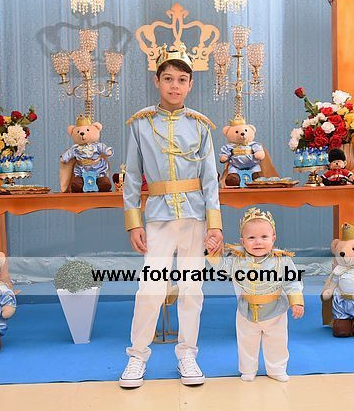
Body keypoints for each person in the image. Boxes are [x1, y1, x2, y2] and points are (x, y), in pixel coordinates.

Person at [120, 43, 223, 388]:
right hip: (158, 216)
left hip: (195, 216)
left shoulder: (201, 126)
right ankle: (137, 355)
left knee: (192, 288)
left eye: (181, 79)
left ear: (190, 84)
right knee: (151, 287)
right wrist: (134, 223)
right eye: (168, 79)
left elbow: (210, 180)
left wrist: (214, 225)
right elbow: (132, 176)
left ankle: (187, 354)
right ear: (157, 81)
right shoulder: (140, 124)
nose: (174, 86)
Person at [207, 207, 304, 382]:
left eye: (264, 237)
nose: (258, 242)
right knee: (246, 341)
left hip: (275, 310)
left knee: (277, 341)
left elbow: (292, 282)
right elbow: (221, 266)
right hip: (247, 310)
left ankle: (277, 368)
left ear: (273, 238)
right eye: (251, 238)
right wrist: (212, 252)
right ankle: (248, 369)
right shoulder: (237, 259)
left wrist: (296, 302)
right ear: (242, 241)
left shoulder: (281, 260)